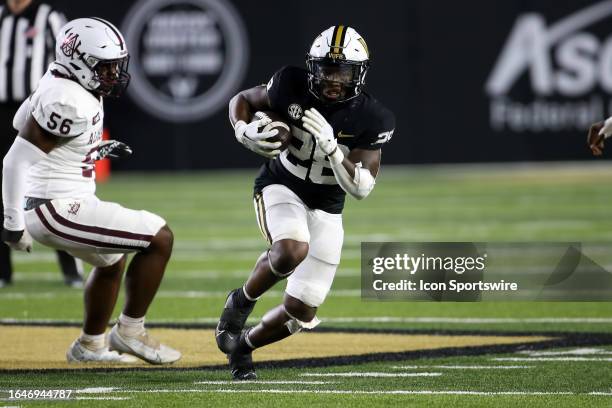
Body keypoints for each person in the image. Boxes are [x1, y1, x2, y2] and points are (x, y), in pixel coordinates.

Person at [216, 25, 395, 379]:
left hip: (328, 205)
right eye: (327, 69)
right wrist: (242, 129)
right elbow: (244, 100)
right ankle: (240, 302)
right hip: (282, 184)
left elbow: (361, 188)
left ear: (358, 75)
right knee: (291, 250)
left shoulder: (373, 117)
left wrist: (332, 150)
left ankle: (243, 348)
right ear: (313, 67)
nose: (333, 79)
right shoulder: (290, 83)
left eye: (343, 72)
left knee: (301, 312)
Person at [1, 17, 181, 364]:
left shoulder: (62, 81)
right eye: (105, 66)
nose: (113, 74)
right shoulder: (67, 99)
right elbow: (13, 162)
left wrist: (83, 147)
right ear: (78, 60)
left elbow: (18, 120)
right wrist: (12, 225)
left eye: (116, 66)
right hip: (53, 208)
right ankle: (130, 331)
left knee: (112, 260)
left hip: (63, 199)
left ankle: (90, 346)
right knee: (160, 237)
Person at [0, 0, 84, 288]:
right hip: (1, 110)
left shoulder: (49, 17)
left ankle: (71, 268)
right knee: (2, 186)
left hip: (42, 112)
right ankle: (2, 271)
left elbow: (70, 60)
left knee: (54, 186)